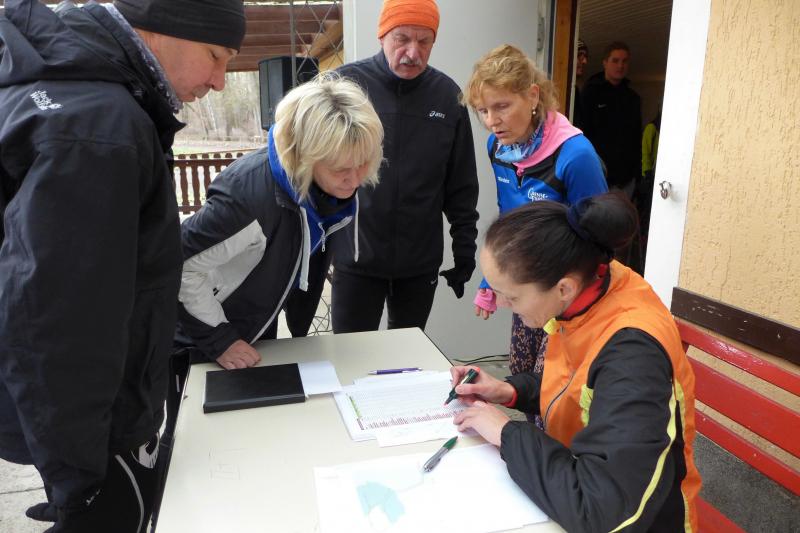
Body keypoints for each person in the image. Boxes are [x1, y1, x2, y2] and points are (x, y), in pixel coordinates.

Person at [0, 0, 245, 531]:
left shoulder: (73, 91)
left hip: (71, 413)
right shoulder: (102, 129)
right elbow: (61, 321)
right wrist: (79, 478)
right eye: (215, 55)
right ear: (160, 29)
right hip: (102, 424)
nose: (220, 81)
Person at [450, 193, 702, 532]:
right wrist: (509, 391)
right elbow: (583, 385)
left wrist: (508, 434)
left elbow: (600, 512)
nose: (501, 304)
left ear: (563, 288)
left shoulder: (633, 355)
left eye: (511, 296)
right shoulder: (595, 285)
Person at [169, 72, 382, 433]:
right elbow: (179, 265)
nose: (355, 178)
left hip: (254, 329)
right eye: (341, 168)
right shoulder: (247, 197)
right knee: (206, 442)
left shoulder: (327, 189)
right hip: (198, 339)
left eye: (363, 163)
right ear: (304, 156)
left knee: (261, 434)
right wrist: (219, 340)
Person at [465, 44, 607, 426]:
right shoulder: (497, 147)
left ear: (532, 96)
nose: (492, 121)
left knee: (555, 393)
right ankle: (533, 449)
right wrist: (491, 282)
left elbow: (601, 239)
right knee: (522, 381)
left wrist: (574, 304)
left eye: (501, 106)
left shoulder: (575, 155)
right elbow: (509, 220)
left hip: (565, 298)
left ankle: (552, 455)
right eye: (482, 110)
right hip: (526, 290)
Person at [330, 0, 480, 334]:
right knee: (352, 356)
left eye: (424, 42)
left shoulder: (447, 97)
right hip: (356, 259)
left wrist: (464, 250)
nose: (413, 53)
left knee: (406, 357)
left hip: (418, 265)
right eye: (402, 39)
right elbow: (312, 168)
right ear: (382, 35)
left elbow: (461, 185)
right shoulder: (345, 85)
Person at [581, 41, 642, 197]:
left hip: (626, 179)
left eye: (624, 61)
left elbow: (636, 137)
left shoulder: (633, 98)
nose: (620, 66)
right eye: (615, 60)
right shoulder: (590, 93)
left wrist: (637, 173)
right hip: (597, 174)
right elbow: (582, 133)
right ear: (605, 63)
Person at [572, 39, 589, 129]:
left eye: (585, 57)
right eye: (579, 55)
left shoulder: (575, 91)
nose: (585, 61)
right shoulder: (555, 88)